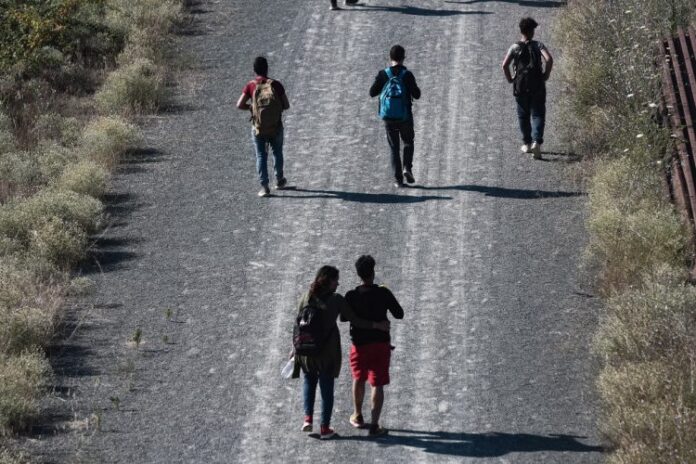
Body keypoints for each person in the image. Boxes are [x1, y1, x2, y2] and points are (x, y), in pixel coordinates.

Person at [291, 265, 389, 439]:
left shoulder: (306, 296)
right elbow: (356, 320)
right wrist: (377, 325)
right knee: (326, 389)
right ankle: (325, 428)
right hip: (326, 353)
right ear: (329, 282)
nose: (338, 284)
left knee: (309, 382)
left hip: (305, 352)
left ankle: (308, 419)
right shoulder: (336, 300)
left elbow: (298, 324)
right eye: (336, 280)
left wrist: (294, 349)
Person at [344, 255, 404, 437]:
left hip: (359, 346)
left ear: (358, 274)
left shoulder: (351, 295)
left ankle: (357, 415)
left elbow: (343, 317)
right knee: (377, 384)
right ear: (373, 272)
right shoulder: (383, 292)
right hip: (380, 345)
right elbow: (399, 313)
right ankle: (374, 425)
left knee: (358, 378)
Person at [236, 56, 290, 197]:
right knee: (277, 152)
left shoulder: (251, 86)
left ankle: (265, 187)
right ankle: (279, 180)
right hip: (276, 126)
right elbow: (286, 105)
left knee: (260, 155)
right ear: (267, 68)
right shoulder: (276, 85)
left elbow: (239, 104)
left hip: (258, 127)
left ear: (254, 70)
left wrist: (252, 108)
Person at [369, 45, 421, 187]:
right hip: (405, 116)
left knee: (394, 148)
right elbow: (417, 95)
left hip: (388, 117)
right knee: (408, 142)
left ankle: (398, 180)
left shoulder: (383, 74)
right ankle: (407, 168)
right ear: (403, 58)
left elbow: (372, 92)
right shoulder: (407, 75)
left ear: (390, 58)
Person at [502, 17, 553, 160]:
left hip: (521, 86)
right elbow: (549, 59)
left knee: (523, 115)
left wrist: (510, 79)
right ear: (532, 31)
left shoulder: (514, 47)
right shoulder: (538, 45)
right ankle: (537, 142)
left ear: (521, 30)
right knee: (538, 114)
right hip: (537, 85)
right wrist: (546, 75)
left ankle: (527, 143)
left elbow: (504, 65)